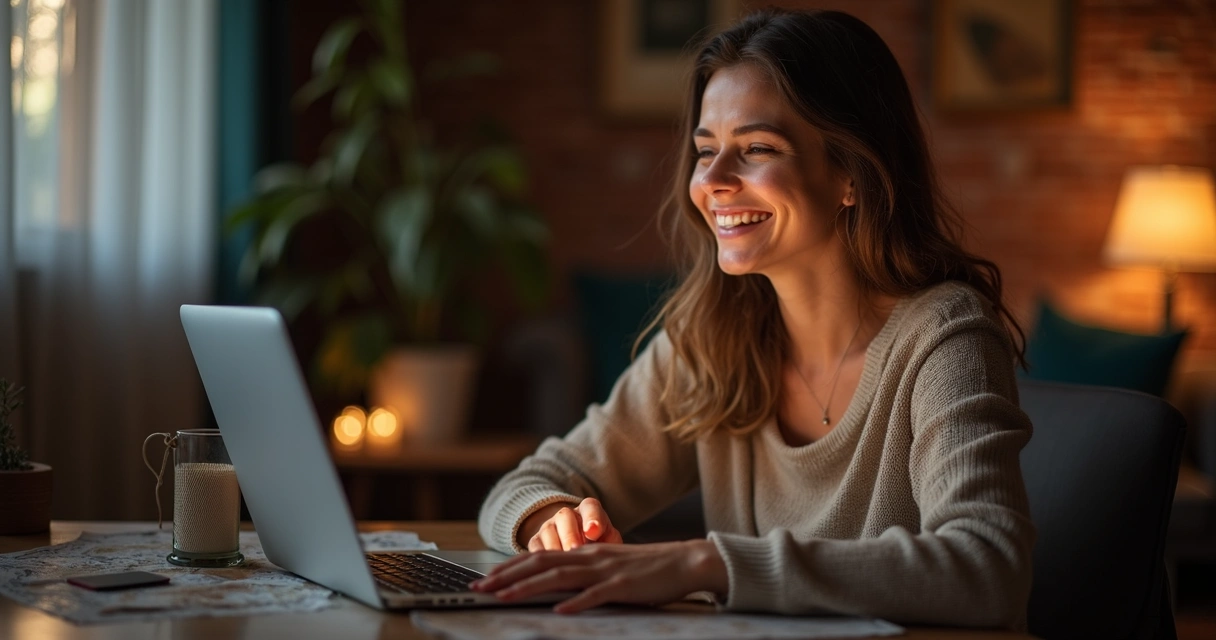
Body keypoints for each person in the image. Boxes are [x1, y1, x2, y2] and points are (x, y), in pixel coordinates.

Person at [471, 8, 1035, 629]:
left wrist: (704, 564)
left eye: (758, 149)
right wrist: (553, 522)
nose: (712, 180)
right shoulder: (711, 339)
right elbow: (528, 485)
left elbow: (987, 568)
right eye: (705, 150)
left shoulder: (946, 335)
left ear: (851, 174)